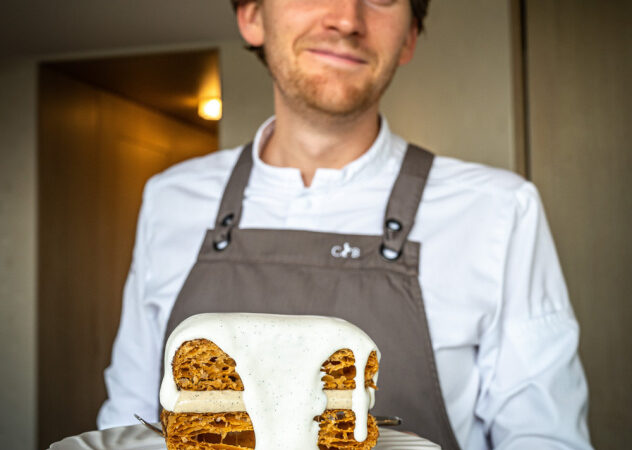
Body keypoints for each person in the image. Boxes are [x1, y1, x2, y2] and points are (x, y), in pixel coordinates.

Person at [97, 0, 593, 448]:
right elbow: (126, 422)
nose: (347, 19)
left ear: (409, 37)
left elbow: (546, 440)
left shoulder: (499, 210)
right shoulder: (170, 199)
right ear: (251, 16)